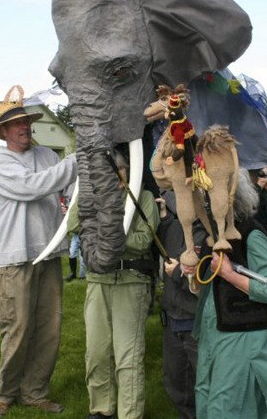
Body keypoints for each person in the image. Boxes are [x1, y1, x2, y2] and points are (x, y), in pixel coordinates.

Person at [0, 85, 77, 418]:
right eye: (16, 124)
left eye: (26, 122)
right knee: (17, 327)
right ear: (3, 131)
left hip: (48, 253)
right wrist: (77, 160)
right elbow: (32, 187)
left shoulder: (48, 156)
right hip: (15, 258)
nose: (24, 128)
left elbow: (68, 185)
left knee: (49, 327)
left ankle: (35, 392)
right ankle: (4, 393)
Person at [192, 169, 267, 419]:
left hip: (242, 339)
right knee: (209, 398)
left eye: (209, 196)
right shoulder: (214, 236)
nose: (204, 203)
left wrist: (229, 274)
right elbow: (210, 290)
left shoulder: (251, 234)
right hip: (214, 337)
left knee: (227, 408)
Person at [84, 170, 159, 419]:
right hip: (98, 279)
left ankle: (130, 414)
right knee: (96, 351)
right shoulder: (90, 195)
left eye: (120, 177)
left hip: (131, 281)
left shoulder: (143, 197)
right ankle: (101, 409)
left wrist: (109, 233)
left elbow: (143, 240)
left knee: (128, 355)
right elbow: (77, 223)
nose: (116, 183)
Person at [157, 190, 208, 419]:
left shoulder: (210, 234)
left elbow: (208, 280)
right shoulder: (175, 227)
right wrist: (163, 218)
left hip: (196, 324)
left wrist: (178, 272)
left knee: (205, 382)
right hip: (172, 320)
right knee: (176, 382)